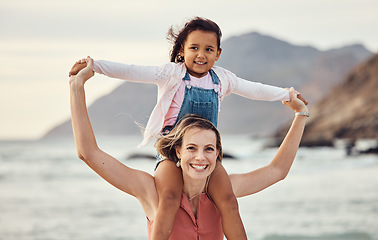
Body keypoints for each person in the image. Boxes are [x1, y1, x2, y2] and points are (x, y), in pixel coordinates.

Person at [69, 17, 308, 240]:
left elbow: (255, 90)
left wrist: (288, 97)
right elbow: (132, 71)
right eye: (194, 48)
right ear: (182, 50)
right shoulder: (172, 74)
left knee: (229, 201)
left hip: (199, 152)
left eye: (208, 49)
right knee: (169, 198)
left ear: (218, 54)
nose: (201, 55)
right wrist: (95, 67)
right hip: (168, 152)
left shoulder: (222, 79)